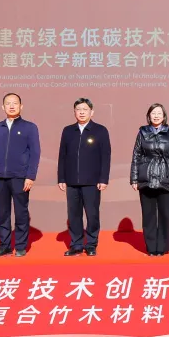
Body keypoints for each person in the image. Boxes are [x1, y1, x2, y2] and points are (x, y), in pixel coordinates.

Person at [0, 93, 41, 257]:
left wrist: (30, 176)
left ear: (21, 106)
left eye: (15, 103)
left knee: (21, 213)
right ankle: (5, 246)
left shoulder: (30, 127)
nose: (11, 106)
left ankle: (21, 246)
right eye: (8, 103)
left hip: (20, 177)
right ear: (3, 107)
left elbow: (35, 153)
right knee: (3, 214)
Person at [57, 98, 112, 257]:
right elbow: (62, 155)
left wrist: (103, 179)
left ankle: (91, 244)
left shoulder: (100, 130)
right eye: (78, 109)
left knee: (92, 214)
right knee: (74, 215)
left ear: (91, 112)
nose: (81, 112)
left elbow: (106, 156)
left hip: (92, 182)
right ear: (74, 112)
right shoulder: (68, 131)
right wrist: (61, 178)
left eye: (85, 109)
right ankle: (76, 245)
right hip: (72, 181)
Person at [130, 103, 169, 256]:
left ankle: (162, 247)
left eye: (159, 113)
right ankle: (151, 247)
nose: (156, 116)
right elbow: (136, 156)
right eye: (153, 113)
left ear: (164, 116)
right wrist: (134, 179)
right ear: (149, 116)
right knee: (148, 215)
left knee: (165, 215)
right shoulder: (142, 132)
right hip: (146, 177)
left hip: (166, 177)